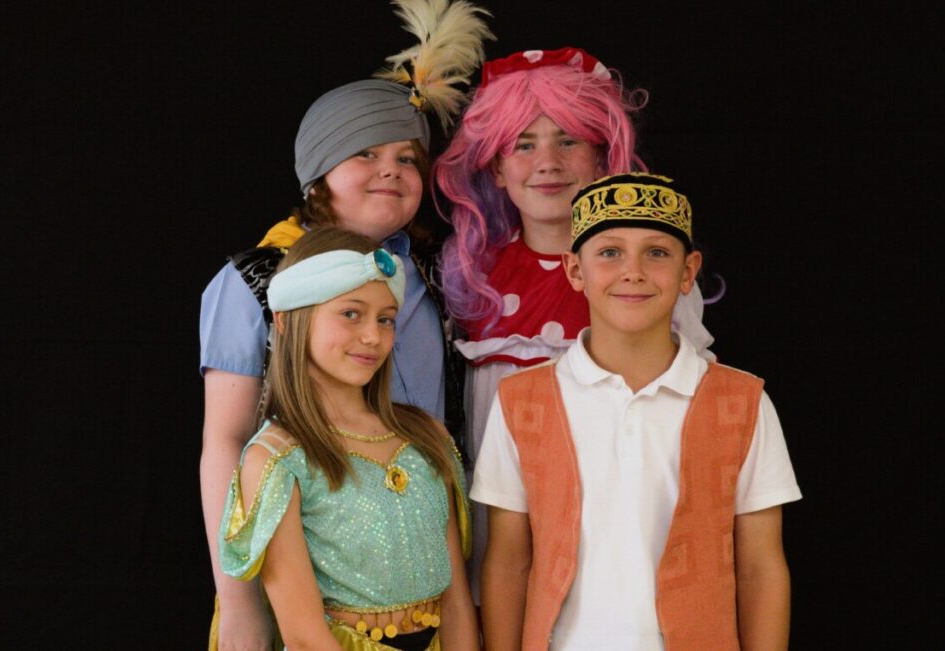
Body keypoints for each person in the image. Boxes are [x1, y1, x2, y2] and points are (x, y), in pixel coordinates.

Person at [200, 0, 492, 648]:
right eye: (365, 153)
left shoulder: (434, 275)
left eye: (406, 159)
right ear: (317, 175)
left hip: (419, 568)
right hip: (306, 580)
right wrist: (239, 601)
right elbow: (225, 442)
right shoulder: (256, 281)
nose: (390, 170)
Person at [471, 173, 802, 650]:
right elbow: (507, 563)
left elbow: (760, 568)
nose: (633, 271)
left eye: (657, 253)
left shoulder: (742, 403)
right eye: (609, 252)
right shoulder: (522, 402)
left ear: (688, 272)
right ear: (575, 270)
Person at [432, 47, 714, 599]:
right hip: (504, 521)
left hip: (624, 519)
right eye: (524, 144)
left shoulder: (643, 278)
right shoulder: (472, 274)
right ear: (496, 167)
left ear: (602, 159)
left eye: (568, 141)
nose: (548, 162)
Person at [218, 226, 478, 651]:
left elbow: (457, 603)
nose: (373, 336)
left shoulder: (426, 437)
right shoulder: (278, 457)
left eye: (385, 319)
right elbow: (305, 636)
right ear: (286, 320)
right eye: (351, 314)